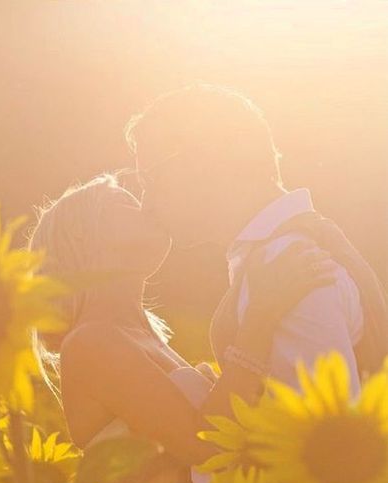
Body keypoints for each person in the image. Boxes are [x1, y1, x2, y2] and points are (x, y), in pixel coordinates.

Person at [29, 173, 334, 483]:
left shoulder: (144, 335)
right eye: (127, 202)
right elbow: (204, 445)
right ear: (84, 236)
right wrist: (261, 318)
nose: (149, 205)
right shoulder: (91, 342)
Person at [125, 84, 388, 394]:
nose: (147, 203)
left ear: (206, 160)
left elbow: (323, 429)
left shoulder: (289, 263)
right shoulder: (287, 248)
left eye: (152, 179)